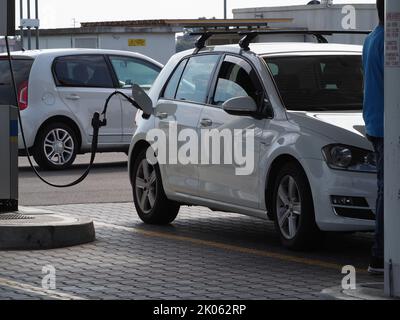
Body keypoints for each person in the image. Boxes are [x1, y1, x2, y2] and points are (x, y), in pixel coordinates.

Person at [363, 0, 385, 275]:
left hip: (375, 123)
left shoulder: (371, 39)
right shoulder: (388, 42)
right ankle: (380, 255)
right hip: (388, 127)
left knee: (385, 189)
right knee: (388, 191)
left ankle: (380, 254)